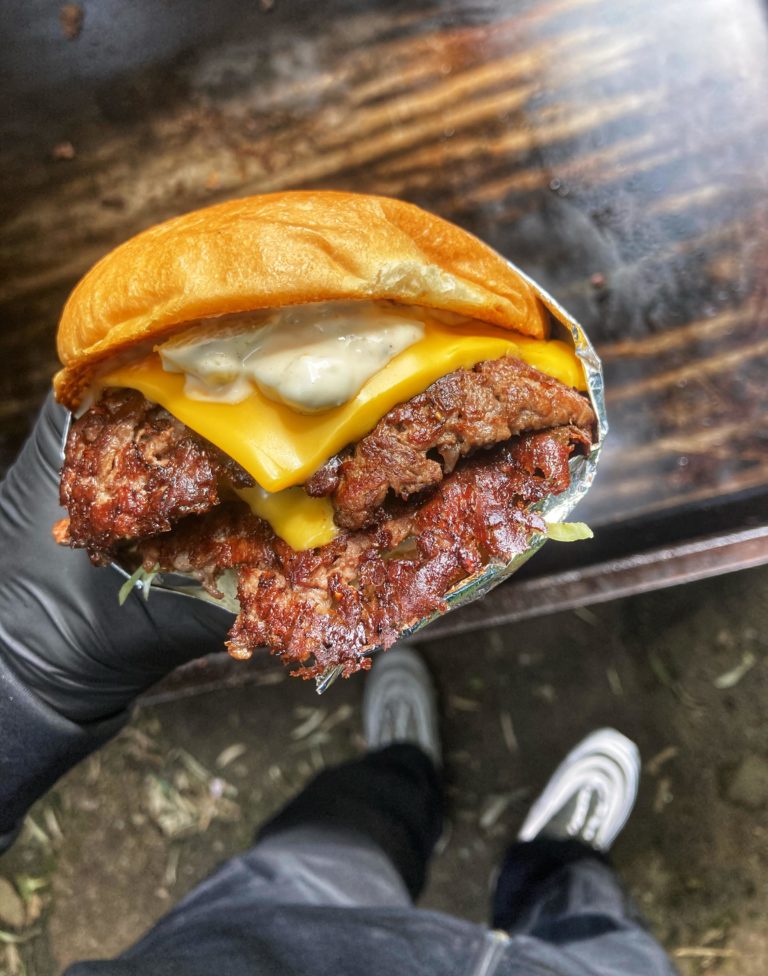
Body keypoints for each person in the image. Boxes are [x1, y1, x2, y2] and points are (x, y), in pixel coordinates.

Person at [0, 396, 678, 975]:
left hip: (247, 944)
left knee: (332, 845)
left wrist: (19, 683)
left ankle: (401, 772)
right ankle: (560, 867)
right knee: (597, 933)